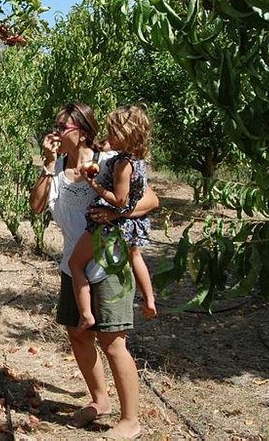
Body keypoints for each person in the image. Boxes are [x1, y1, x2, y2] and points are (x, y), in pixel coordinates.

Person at [29, 103, 159, 440]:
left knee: (112, 341)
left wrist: (118, 215)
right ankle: (100, 401)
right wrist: (45, 165)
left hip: (108, 261)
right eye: (56, 123)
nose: (57, 130)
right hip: (73, 261)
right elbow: (36, 206)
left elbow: (151, 200)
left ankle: (131, 420)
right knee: (78, 333)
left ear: (83, 131)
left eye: (65, 125)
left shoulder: (105, 161)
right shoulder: (56, 167)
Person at [69, 105, 157, 331]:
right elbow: (106, 145)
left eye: (112, 131)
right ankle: (149, 299)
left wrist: (93, 185)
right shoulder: (135, 158)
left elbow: (119, 200)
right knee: (135, 255)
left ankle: (86, 314)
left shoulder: (121, 164)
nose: (107, 136)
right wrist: (99, 145)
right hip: (130, 223)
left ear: (125, 134)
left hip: (107, 223)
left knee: (75, 263)